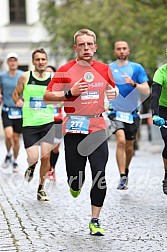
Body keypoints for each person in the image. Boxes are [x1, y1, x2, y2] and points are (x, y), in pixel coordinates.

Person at [43, 28, 118, 236]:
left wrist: (114, 92)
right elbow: (47, 96)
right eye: (81, 45)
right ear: (75, 48)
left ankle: (95, 219)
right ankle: (74, 184)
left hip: (97, 128)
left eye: (89, 44)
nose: (86, 48)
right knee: (75, 178)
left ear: (95, 47)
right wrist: (70, 93)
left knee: (99, 173)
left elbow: (113, 89)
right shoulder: (65, 70)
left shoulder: (104, 69)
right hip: (74, 128)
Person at [12, 48, 55, 201]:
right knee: (33, 158)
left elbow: (60, 96)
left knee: (45, 157)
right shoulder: (25, 77)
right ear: (33, 62)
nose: (40, 62)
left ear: (47, 61)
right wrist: (18, 100)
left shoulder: (53, 78)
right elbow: (15, 93)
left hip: (48, 122)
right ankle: (31, 167)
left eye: (43, 59)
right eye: (37, 59)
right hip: (30, 123)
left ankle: (41, 188)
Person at [107, 40, 150, 190]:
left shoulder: (137, 68)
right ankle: (122, 176)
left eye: (124, 48)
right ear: (114, 52)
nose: (121, 51)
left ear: (128, 51)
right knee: (120, 141)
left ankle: (126, 170)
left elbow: (146, 90)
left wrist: (134, 84)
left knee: (130, 147)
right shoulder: (109, 69)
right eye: (118, 49)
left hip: (132, 113)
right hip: (115, 112)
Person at [0, 52, 23, 172]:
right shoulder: (2, 76)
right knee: (8, 136)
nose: (13, 63)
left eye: (15, 60)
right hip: (6, 109)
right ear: (7, 62)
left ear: (18, 62)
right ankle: (8, 153)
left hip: (19, 111)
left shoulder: (22, 75)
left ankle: (14, 160)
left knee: (15, 139)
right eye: (10, 60)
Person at [151, 63, 167, 195]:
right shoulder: (161, 72)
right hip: (164, 110)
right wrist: (155, 114)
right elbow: (155, 95)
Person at [45, 65, 63, 181]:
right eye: (47, 73)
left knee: (55, 148)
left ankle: (52, 168)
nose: (49, 75)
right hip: (45, 120)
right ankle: (46, 169)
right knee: (46, 148)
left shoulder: (60, 88)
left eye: (51, 73)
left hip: (58, 120)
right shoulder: (41, 88)